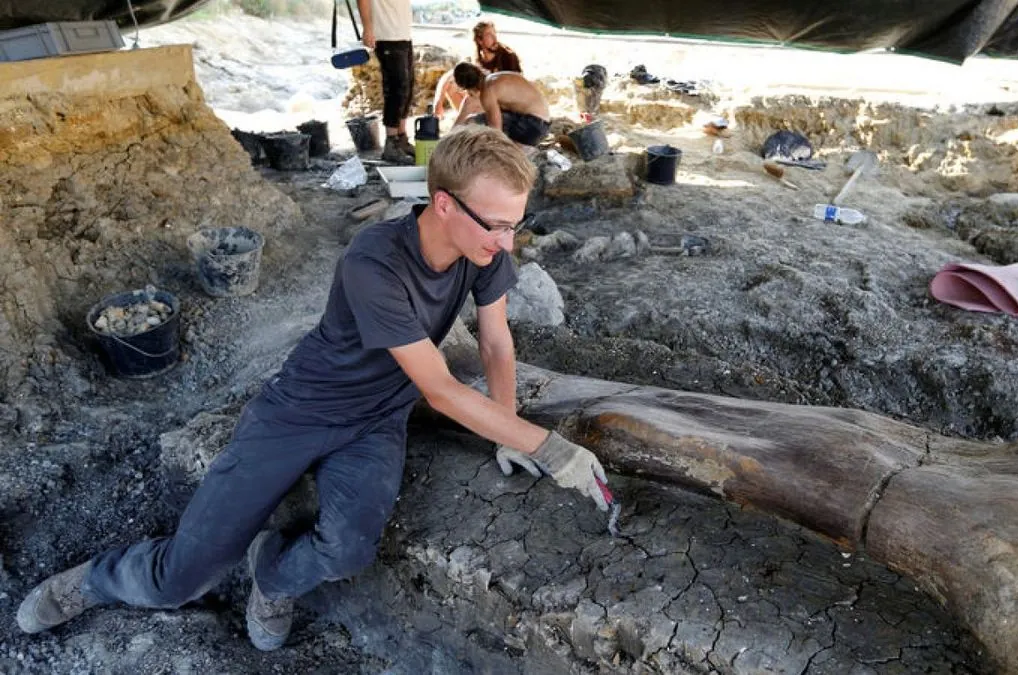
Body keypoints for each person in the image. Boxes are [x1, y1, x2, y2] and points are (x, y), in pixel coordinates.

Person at [16, 126, 612, 651]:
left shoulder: (482, 248)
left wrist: (505, 428)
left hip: (376, 419)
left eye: (516, 224)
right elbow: (438, 390)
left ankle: (272, 578)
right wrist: (549, 447)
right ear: (443, 203)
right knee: (182, 577)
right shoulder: (373, 260)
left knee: (349, 548)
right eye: (497, 225)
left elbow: (495, 342)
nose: (506, 242)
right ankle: (93, 580)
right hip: (299, 409)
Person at [359, 0, 416, 164]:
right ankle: (391, 142)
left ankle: (401, 138)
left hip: (403, 34)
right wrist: (367, 28)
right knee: (396, 88)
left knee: (407, 88)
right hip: (386, 34)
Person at [452, 62, 550, 148]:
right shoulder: (497, 77)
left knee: (472, 122)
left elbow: (496, 131)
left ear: (466, 88)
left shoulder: (488, 91)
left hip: (532, 126)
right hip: (543, 125)